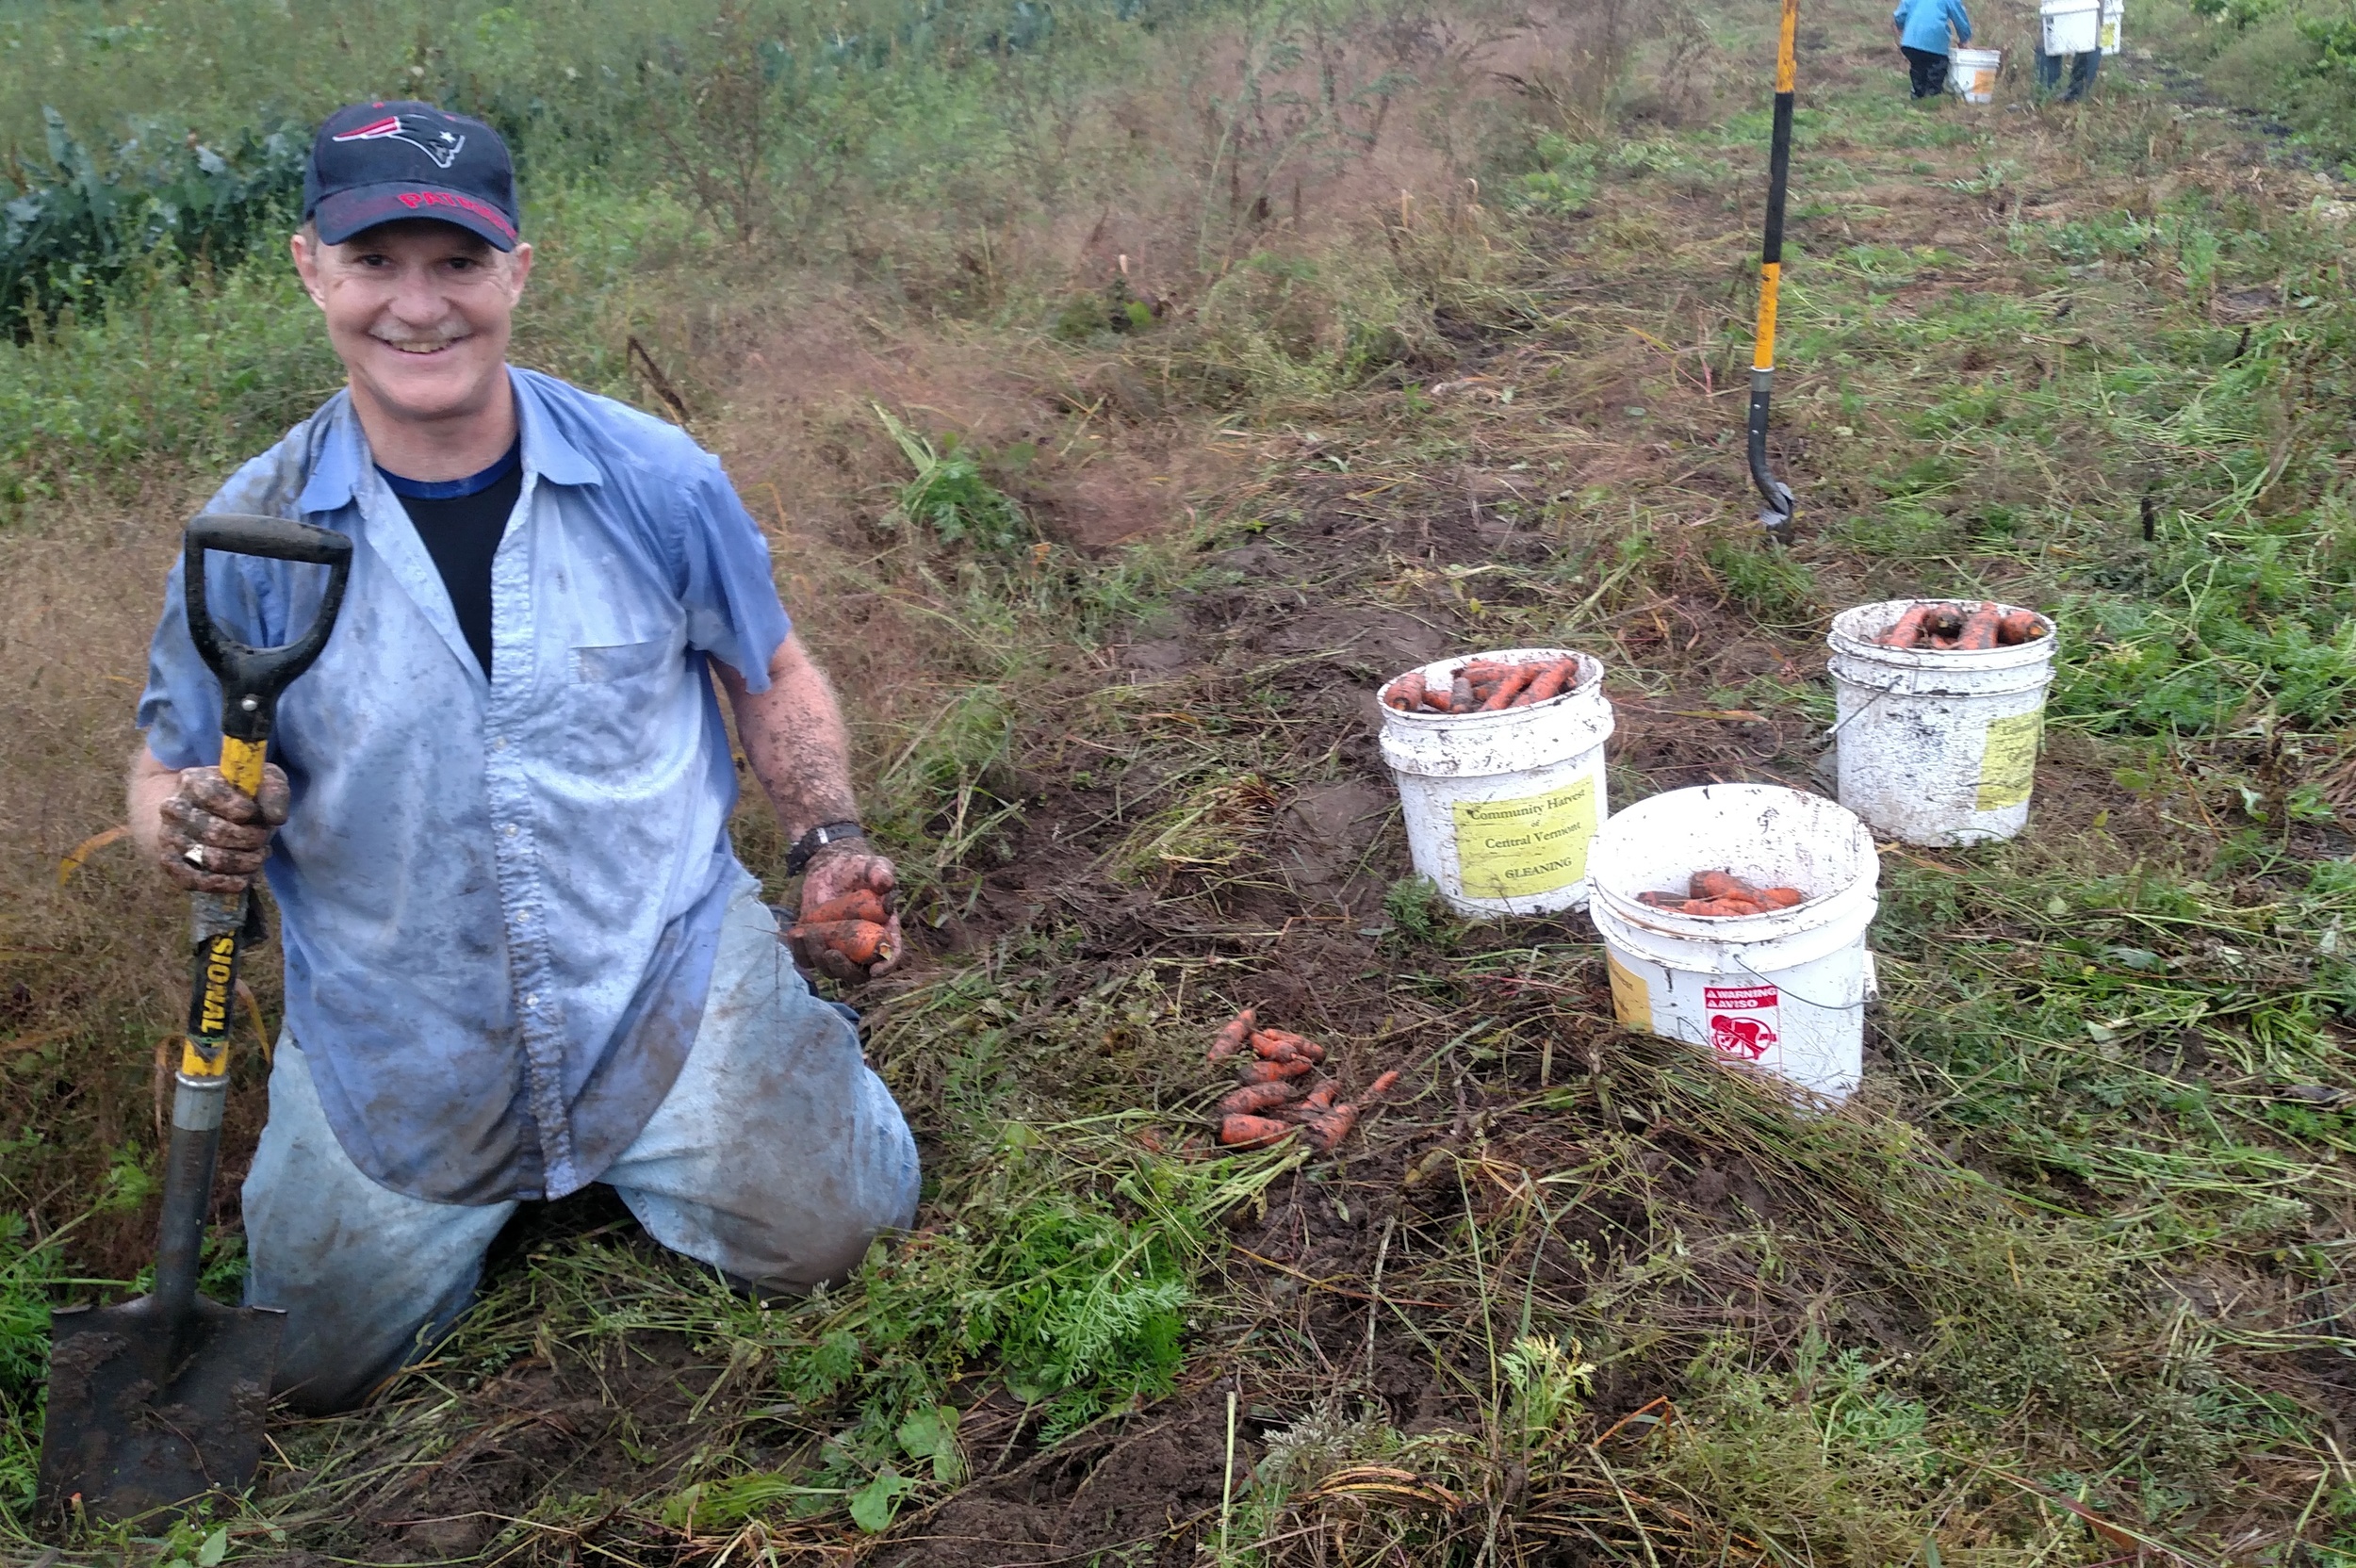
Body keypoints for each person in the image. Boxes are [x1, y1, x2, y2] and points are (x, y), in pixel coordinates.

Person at [130, 101, 921, 1413]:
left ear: (519, 273)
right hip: (399, 1031)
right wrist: (183, 822)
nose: (419, 307)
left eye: (457, 264)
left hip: (650, 977)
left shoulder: (655, 481)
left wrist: (827, 839)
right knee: (313, 1365)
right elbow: (165, 761)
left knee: (845, 1232)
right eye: (376, 262)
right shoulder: (254, 533)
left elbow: (767, 671)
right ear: (310, 268)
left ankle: (777, 1050)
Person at [1892, 0, 1972, 100]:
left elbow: (1900, 14)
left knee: (1918, 66)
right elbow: (1959, 17)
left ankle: (1918, 94)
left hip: (1911, 40)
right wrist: (1964, 38)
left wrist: (1901, 26)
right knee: (1936, 68)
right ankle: (1932, 95)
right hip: (1935, 39)